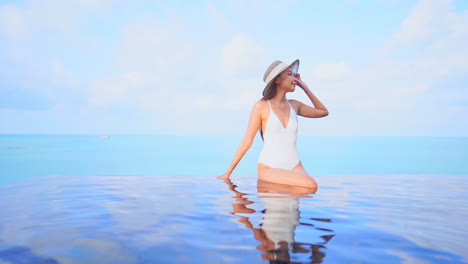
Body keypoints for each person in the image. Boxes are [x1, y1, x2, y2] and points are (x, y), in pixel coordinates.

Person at [217, 59, 328, 188]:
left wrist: (304, 86)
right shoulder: (261, 106)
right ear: (277, 80)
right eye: (290, 74)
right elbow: (247, 140)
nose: (295, 78)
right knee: (311, 185)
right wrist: (228, 173)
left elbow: (323, 112)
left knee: (304, 195)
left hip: (295, 165)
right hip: (269, 167)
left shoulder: (294, 105)